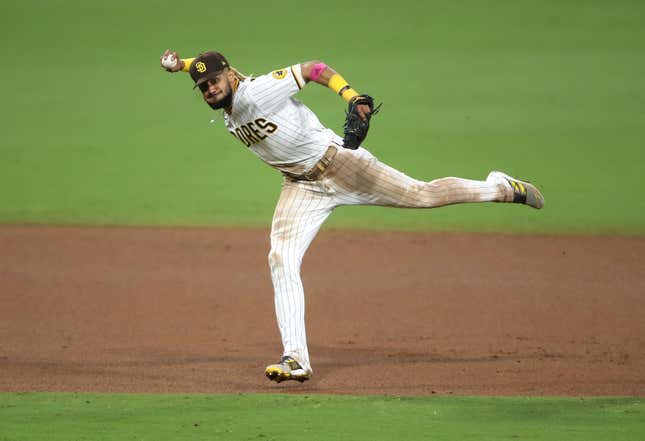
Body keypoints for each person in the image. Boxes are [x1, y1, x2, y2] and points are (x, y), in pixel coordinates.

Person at [159, 49, 544, 383]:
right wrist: (182, 66)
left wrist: (351, 94)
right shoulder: (227, 102)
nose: (210, 88)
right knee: (280, 259)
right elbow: (208, 68)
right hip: (300, 186)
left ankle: (500, 188)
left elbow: (313, 68)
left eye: (214, 81)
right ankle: (295, 359)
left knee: (423, 195)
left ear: (229, 75)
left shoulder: (258, 90)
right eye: (203, 86)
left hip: (340, 165)